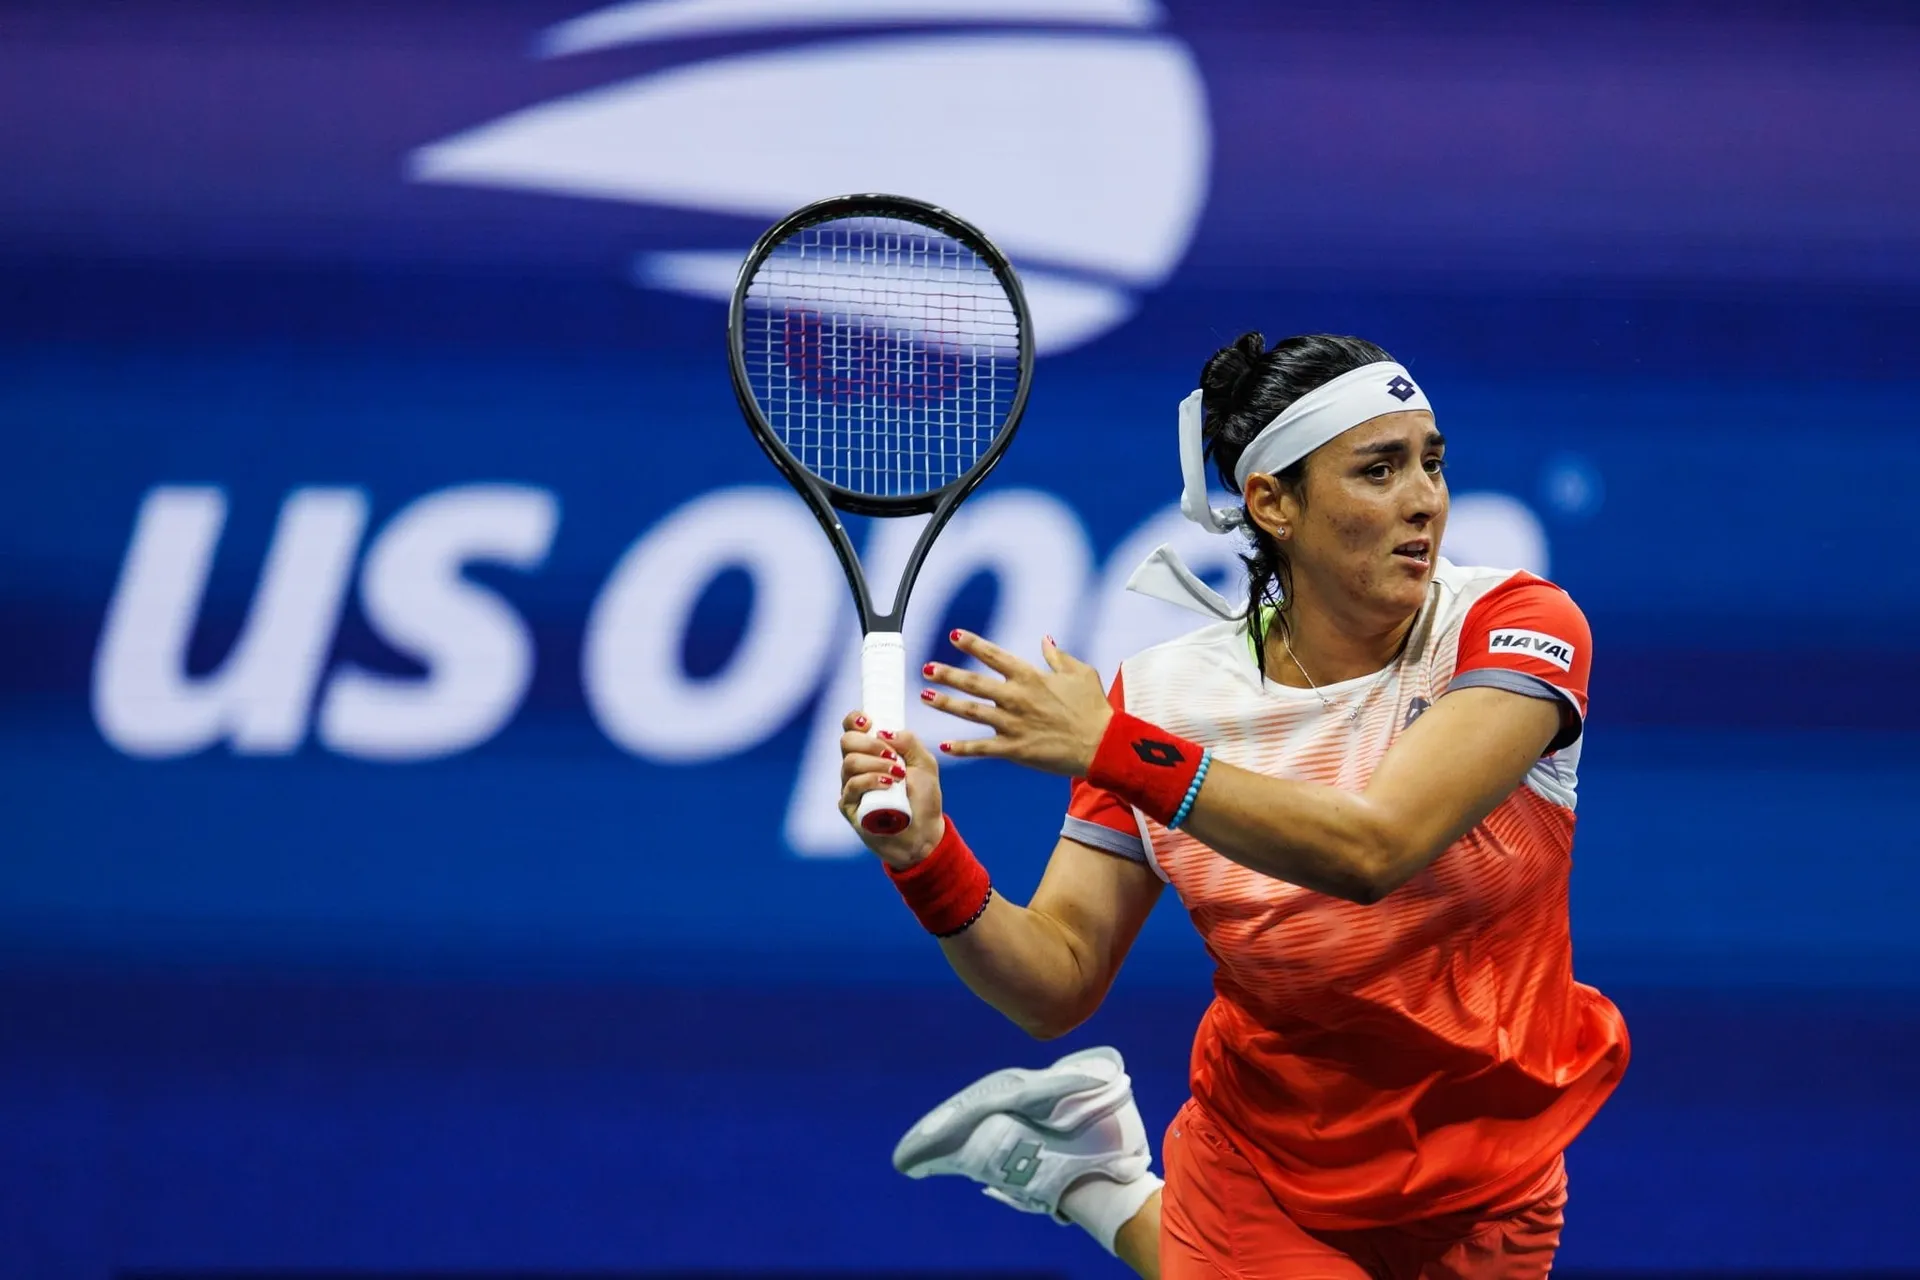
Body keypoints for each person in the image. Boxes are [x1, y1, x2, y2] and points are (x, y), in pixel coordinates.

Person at [838, 332, 1630, 1279]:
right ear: (1272, 503)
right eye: (1378, 470)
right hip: (1267, 1160)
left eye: (1432, 462)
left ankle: (1088, 1176)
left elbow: (1376, 850)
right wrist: (926, 858)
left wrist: (1116, 750)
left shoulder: (1513, 626)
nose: (1424, 498)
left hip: (1493, 1161)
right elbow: (1058, 981)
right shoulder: (1165, 700)